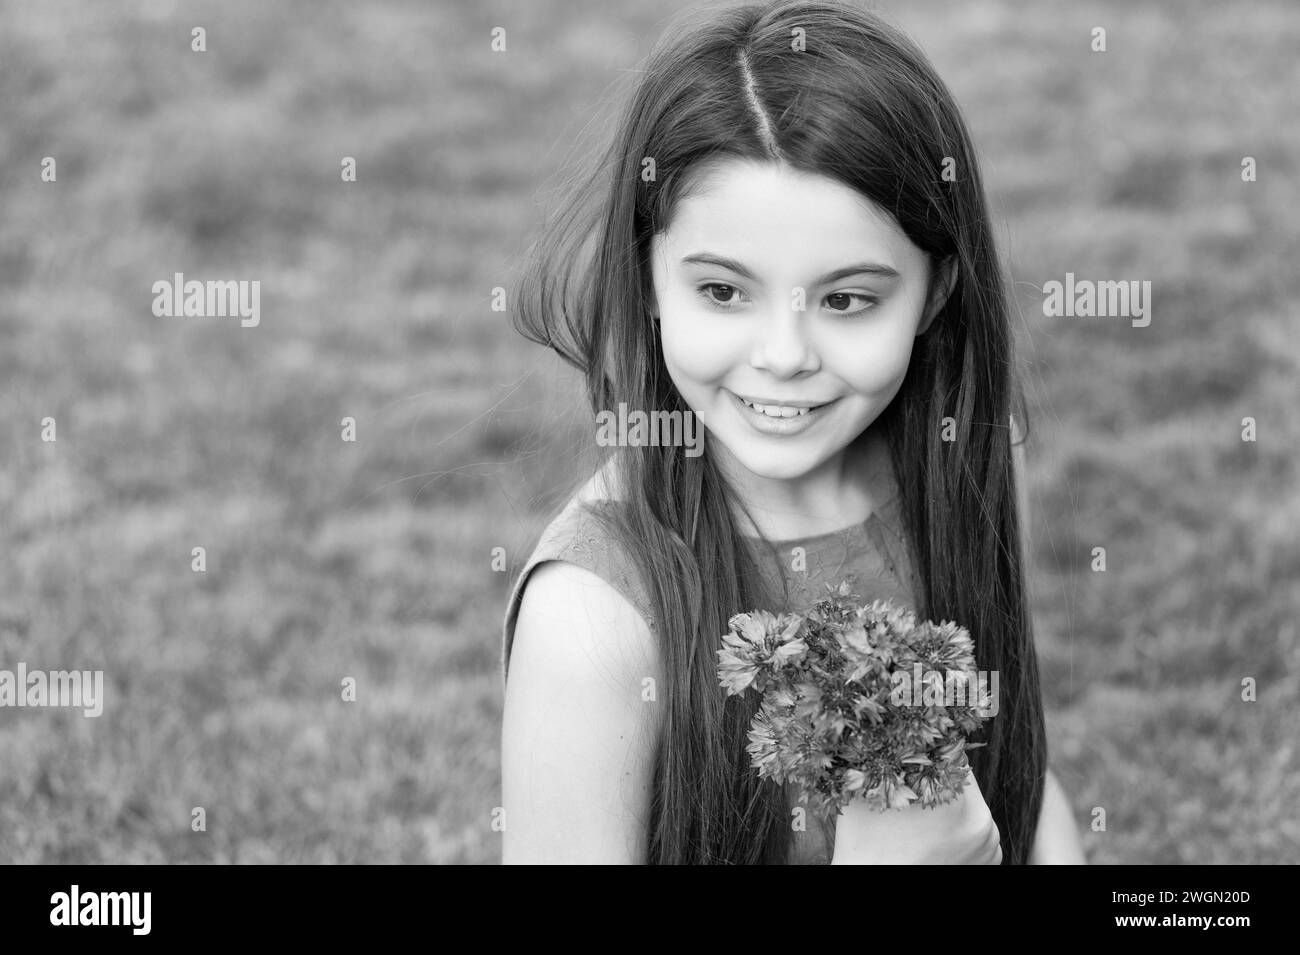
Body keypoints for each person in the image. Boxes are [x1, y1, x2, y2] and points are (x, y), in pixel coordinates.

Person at [500, 0, 1086, 864]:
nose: (783, 357)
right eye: (725, 292)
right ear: (650, 279)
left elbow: (1022, 788)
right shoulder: (594, 615)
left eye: (847, 299)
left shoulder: (971, 471)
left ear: (936, 292)